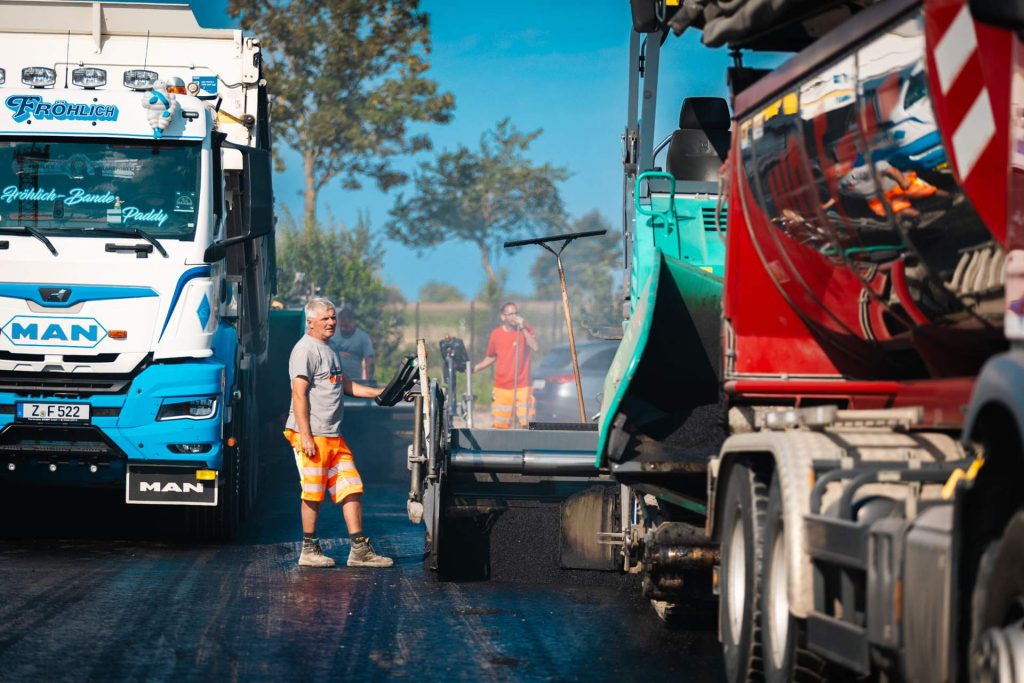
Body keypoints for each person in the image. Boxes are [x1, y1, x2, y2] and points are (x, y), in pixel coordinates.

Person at [283, 297, 393, 568]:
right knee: (312, 493)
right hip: (311, 435)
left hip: (333, 435)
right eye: (326, 319)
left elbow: (345, 384)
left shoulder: (330, 348)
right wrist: (306, 436)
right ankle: (308, 549)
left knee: (352, 487)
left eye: (333, 318)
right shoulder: (304, 350)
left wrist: (381, 393)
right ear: (310, 322)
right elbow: (298, 394)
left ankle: (359, 550)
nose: (332, 322)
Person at [473, 301, 539, 429]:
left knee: (526, 423)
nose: (514, 316)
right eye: (510, 314)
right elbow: (491, 357)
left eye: (516, 313)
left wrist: (523, 328)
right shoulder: (496, 334)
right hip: (502, 386)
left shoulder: (525, 329)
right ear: (503, 317)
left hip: (523, 385)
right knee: (500, 424)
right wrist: (476, 368)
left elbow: (535, 347)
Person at [329, 306, 375, 381]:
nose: (345, 328)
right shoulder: (332, 336)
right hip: (334, 380)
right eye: (343, 325)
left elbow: (369, 359)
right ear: (339, 322)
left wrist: (368, 380)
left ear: (353, 322)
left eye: (347, 325)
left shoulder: (363, 337)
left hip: (355, 380)